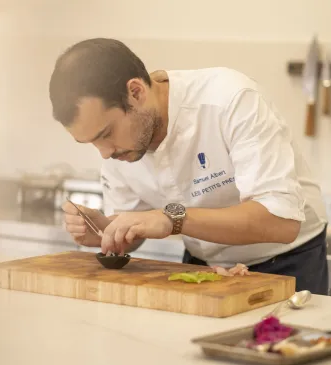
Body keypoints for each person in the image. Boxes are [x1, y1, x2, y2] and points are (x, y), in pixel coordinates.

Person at [49, 38, 329, 295]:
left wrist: (172, 218)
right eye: (90, 142)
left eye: (106, 133)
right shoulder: (120, 150)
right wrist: (107, 230)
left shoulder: (230, 99)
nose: (105, 153)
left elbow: (281, 221)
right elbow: (136, 228)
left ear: (135, 92)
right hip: (203, 267)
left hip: (290, 263)